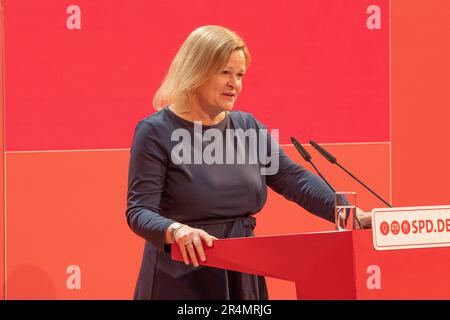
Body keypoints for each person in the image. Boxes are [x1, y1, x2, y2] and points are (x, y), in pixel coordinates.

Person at [126, 25, 371, 300]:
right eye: (225, 73)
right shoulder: (156, 131)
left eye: (240, 75)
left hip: (242, 273)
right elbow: (139, 212)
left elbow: (295, 180)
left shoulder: (247, 127)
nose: (235, 84)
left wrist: (351, 214)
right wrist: (176, 230)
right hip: (182, 276)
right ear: (196, 71)